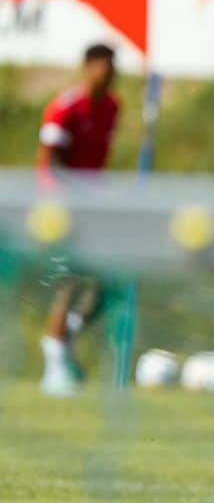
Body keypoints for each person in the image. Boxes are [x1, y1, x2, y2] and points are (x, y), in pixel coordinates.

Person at [36, 44, 120, 396]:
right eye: (102, 66)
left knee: (108, 286)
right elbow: (48, 164)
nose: (108, 73)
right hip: (61, 208)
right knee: (69, 283)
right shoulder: (65, 108)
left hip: (93, 207)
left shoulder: (113, 107)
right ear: (87, 67)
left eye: (112, 67)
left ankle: (63, 339)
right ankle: (53, 368)